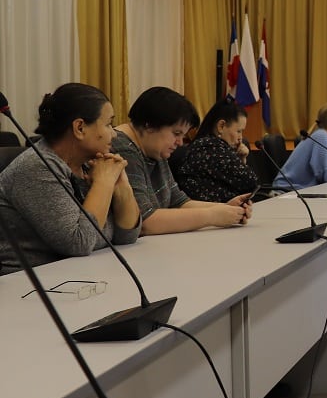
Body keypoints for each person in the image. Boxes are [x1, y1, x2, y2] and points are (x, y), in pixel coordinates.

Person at [0, 83, 140, 274]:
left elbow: (127, 235)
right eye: (108, 124)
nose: (114, 134)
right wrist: (104, 182)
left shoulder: (90, 163)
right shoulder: (37, 167)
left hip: (82, 273)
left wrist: (122, 185)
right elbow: (79, 242)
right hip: (29, 283)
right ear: (80, 128)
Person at [112, 87, 251, 235]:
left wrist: (224, 208)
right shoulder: (123, 149)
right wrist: (212, 216)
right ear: (150, 125)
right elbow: (144, 221)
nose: (180, 143)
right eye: (176, 133)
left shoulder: (154, 148)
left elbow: (179, 202)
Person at [173, 100, 259, 203]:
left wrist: (241, 159)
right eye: (238, 131)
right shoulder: (212, 149)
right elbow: (251, 182)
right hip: (206, 211)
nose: (240, 137)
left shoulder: (203, 144)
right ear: (221, 126)